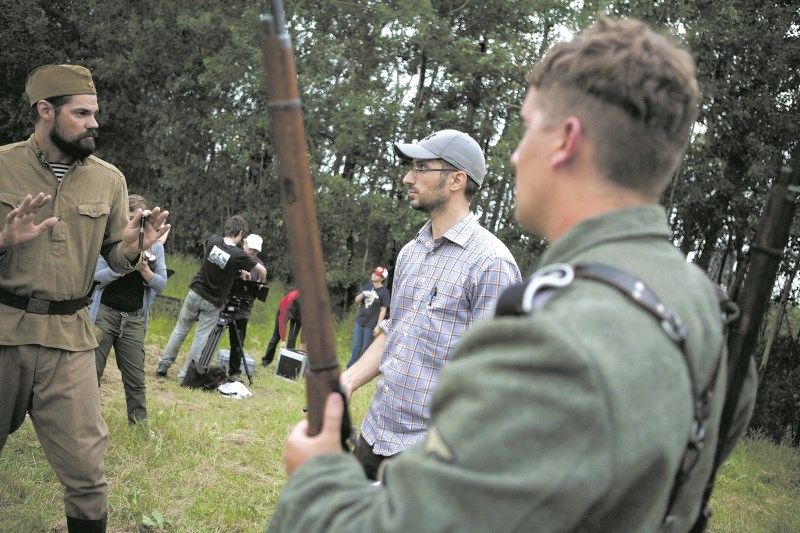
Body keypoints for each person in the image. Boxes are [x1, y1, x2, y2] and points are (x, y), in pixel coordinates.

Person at [267, 18, 758, 532]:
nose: (518, 156)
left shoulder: (556, 333)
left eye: (527, 129)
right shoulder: (713, 311)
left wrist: (318, 475)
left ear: (565, 141)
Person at [0, 64, 170, 532]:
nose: (95, 122)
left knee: (87, 472)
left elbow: (113, 255)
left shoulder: (109, 180)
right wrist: (4, 239)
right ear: (45, 111)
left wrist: (134, 250)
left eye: (94, 113)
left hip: (70, 339)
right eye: (82, 113)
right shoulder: (2, 164)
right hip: (4, 329)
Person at [341, 128, 521, 479]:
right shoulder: (411, 252)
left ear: (456, 180)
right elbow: (397, 330)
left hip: (431, 455)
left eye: (422, 167)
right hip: (375, 433)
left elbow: (493, 377)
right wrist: (346, 382)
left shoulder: (492, 264)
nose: (409, 177)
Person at [156, 215, 266, 381]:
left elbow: (220, 262)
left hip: (195, 292)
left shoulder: (213, 240)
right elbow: (262, 271)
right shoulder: (239, 255)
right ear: (241, 232)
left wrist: (239, 270)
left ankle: (163, 365)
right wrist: (258, 281)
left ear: (227, 227)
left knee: (180, 330)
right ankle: (185, 375)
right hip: (213, 302)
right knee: (200, 339)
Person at [90, 194, 168, 425]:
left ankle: (139, 425)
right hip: (104, 314)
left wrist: (144, 269)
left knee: (135, 377)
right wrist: (125, 262)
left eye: (140, 220)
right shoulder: (111, 243)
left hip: (133, 319)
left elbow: (161, 283)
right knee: (91, 373)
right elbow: (96, 279)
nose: (135, 224)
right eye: (130, 218)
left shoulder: (154, 247)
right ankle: (86, 423)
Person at [227, 233, 266, 382]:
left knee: (238, 342)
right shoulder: (234, 256)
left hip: (244, 308)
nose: (252, 252)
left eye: (255, 250)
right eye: (251, 248)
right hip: (227, 301)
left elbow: (261, 291)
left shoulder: (260, 266)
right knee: (211, 332)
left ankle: (234, 372)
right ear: (244, 243)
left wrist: (254, 282)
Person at [346, 266, 391, 368]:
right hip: (360, 321)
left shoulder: (384, 292)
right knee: (357, 345)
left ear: (382, 278)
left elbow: (383, 310)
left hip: (371, 324)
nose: (374, 275)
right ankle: (350, 367)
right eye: (374, 273)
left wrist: (377, 326)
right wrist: (363, 294)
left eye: (377, 274)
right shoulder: (367, 287)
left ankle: (360, 368)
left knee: (365, 348)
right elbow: (357, 300)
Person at [261, 289, 302, 368]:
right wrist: (283, 340)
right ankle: (266, 361)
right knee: (276, 336)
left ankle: (287, 365)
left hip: (297, 315)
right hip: (284, 310)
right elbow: (282, 322)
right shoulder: (288, 303)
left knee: (291, 339)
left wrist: (302, 343)